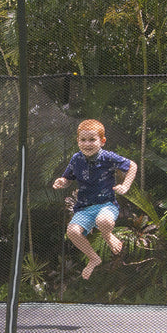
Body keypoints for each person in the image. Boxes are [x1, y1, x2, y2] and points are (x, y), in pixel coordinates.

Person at [52, 118, 137, 279]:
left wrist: (125, 186)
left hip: (106, 204)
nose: (87, 144)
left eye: (92, 140)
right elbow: (68, 178)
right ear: (78, 141)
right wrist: (61, 182)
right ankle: (93, 258)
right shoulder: (76, 159)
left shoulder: (108, 157)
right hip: (84, 207)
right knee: (72, 231)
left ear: (102, 141)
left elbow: (132, 166)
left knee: (103, 222)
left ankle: (108, 236)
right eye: (83, 140)